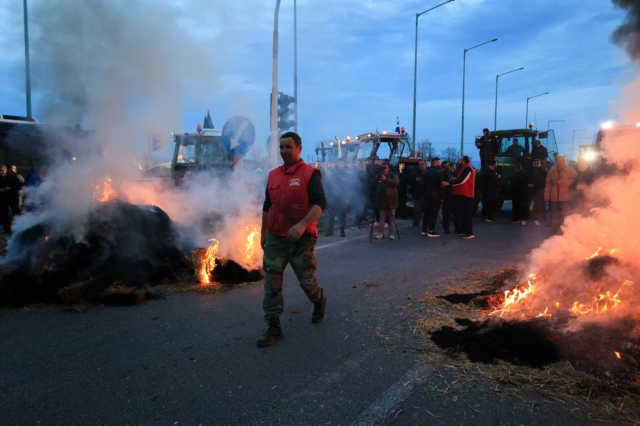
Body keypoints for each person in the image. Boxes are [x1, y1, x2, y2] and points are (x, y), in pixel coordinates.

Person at [259, 132, 327, 348]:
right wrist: (263, 233)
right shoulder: (272, 175)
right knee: (272, 282)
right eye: (281, 147)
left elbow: (319, 204)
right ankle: (274, 326)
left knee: (306, 281)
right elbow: (267, 207)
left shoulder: (310, 173)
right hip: (275, 238)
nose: (284, 151)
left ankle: (319, 300)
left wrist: (302, 225)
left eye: (288, 147)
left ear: (299, 148)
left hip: (302, 239)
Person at [544, 154, 577, 236]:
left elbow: (574, 179)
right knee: (554, 216)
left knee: (565, 216)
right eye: (560, 161)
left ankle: (565, 232)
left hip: (566, 197)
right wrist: (546, 195)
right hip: (554, 197)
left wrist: (563, 182)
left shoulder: (570, 170)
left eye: (563, 161)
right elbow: (548, 184)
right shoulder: (551, 171)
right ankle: (554, 232)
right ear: (556, 162)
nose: (562, 162)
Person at [445, 156, 476, 239]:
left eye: (460, 160)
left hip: (465, 194)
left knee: (466, 214)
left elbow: (462, 180)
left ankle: (469, 232)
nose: (458, 161)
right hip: (461, 194)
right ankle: (463, 230)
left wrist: (450, 183)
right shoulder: (464, 168)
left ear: (464, 161)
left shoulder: (467, 168)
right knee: (462, 214)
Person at [372, 160, 399, 240]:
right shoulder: (379, 176)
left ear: (389, 168)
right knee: (382, 218)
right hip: (381, 200)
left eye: (385, 168)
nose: (384, 169)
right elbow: (372, 184)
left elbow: (395, 183)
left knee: (392, 218)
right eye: (383, 168)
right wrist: (377, 177)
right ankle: (381, 233)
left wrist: (385, 179)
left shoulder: (393, 175)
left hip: (391, 200)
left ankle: (392, 233)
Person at [325, 159, 349, 237]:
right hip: (333, 197)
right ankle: (330, 231)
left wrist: (347, 197)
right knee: (331, 214)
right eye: (339, 163)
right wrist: (328, 196)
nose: (340, 165)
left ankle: (342, 231)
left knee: (343, 215)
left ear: (344, 164)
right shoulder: (333, 173)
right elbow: (329, 185)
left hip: (342, 197)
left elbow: (348, 187)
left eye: (341, 163)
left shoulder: (346, 174)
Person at [421, 158, 444, 237]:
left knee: (426, 213)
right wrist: (442, 197)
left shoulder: (426, 173)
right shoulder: (439, 173)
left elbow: (422, 185)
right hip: (435, 195)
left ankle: (424, 230)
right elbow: (440, 186)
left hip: (427, 194)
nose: (440, 164)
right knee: (434, 213)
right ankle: (431, 230)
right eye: (439, 162)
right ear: (436, 163)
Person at [0, 165, 22, 234]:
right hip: (2, 199)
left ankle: (19, 227)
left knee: (16, 213)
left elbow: (19, 185)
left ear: (6, 170)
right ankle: (6, 229)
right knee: (3, 214)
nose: (0, 172)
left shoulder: (13, 177)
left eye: (2, 170)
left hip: (12, 198)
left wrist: (11, 188)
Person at [526, 159, 548, 225]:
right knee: (528, 204)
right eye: (534, 163)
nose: (536, 164)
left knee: (539, 204)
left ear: (540, 164)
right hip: (529, 190)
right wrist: (528, 184)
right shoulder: (528, 171)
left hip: (540, 190)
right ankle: (528, 216)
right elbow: (524, 179)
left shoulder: (544, 172)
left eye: (537, 163)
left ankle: (539, 217)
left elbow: (545, 181)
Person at [350, 160, 369, 230]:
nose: (365, 167)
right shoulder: (358, 173)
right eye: (364, 165)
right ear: (362, 166)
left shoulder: (363, 173)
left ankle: (360, 223)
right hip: (359, 194)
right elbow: (356, 184)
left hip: (363, 194)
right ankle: (356, 224)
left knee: (362, 210)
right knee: (359, 210)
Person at [409, 160, 427, 229]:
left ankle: (427, 223)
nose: (421, 166)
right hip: (418, 194)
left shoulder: (428, 173)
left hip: (426, 194)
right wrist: (415, 180)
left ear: (425, 165)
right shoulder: (415, 174)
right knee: (417, 210)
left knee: (427, 210)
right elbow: (409, 180)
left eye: (422, 164)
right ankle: (415, 223)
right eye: (420, 164)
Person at [440, 161, 453, 234]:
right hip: (446, 196)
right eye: (446, 166)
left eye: (448, 165)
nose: (447, 167)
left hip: (452, 195)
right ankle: (446, 228)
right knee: (446, 213)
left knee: (449, 212)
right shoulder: (443, 175)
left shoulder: (450, 174)